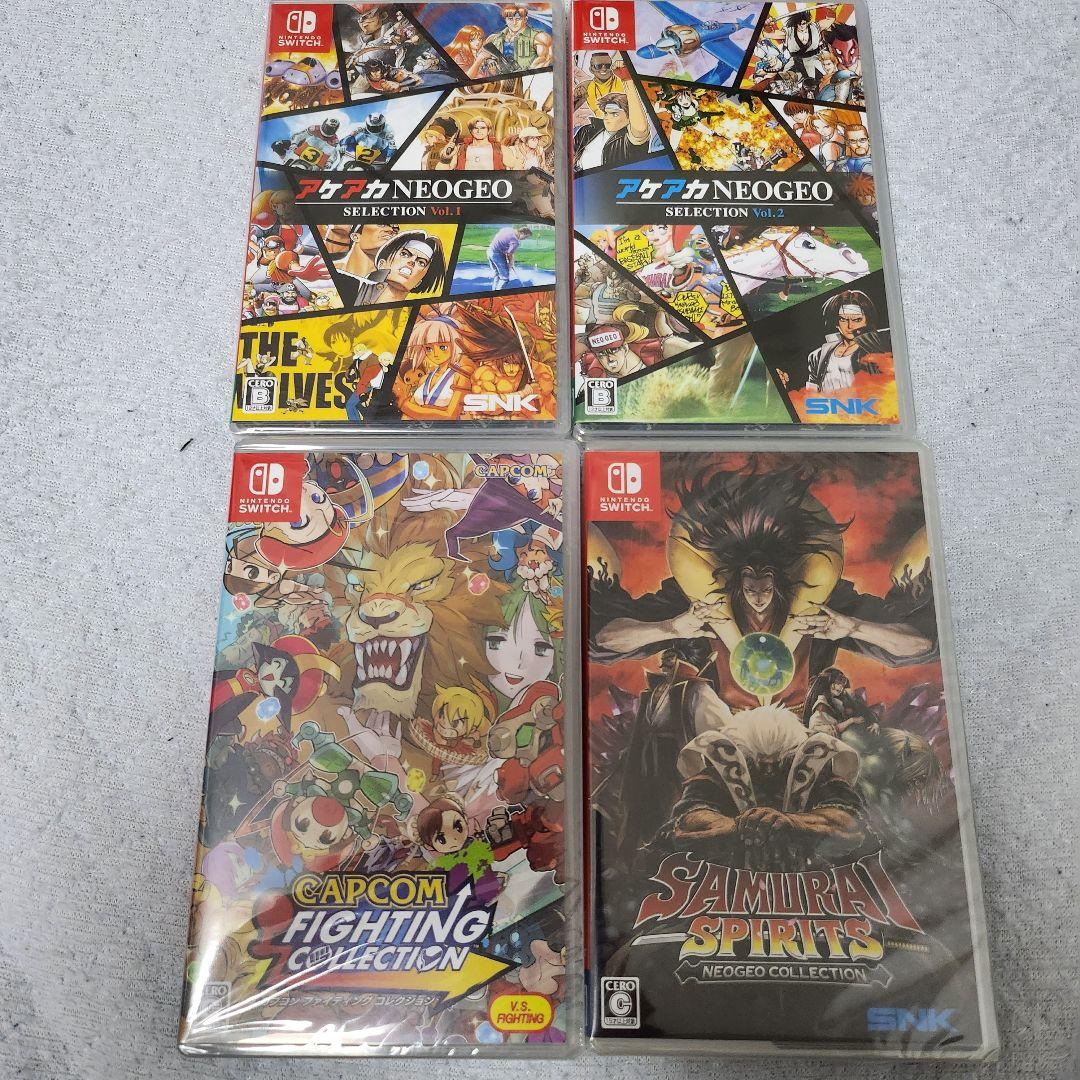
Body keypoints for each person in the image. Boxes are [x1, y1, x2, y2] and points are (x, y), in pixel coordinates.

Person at [487, 225, 531, 290]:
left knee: (497, 275)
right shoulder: (515, 242)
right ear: (522, 233)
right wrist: (510, 263)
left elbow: (499, 239)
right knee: (505, 278)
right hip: (497, 254)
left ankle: (493, 292)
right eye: (525, 237)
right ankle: (498, 293)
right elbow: (509, 254)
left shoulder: (507, 229)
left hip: (489, 251)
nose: (525, 239)